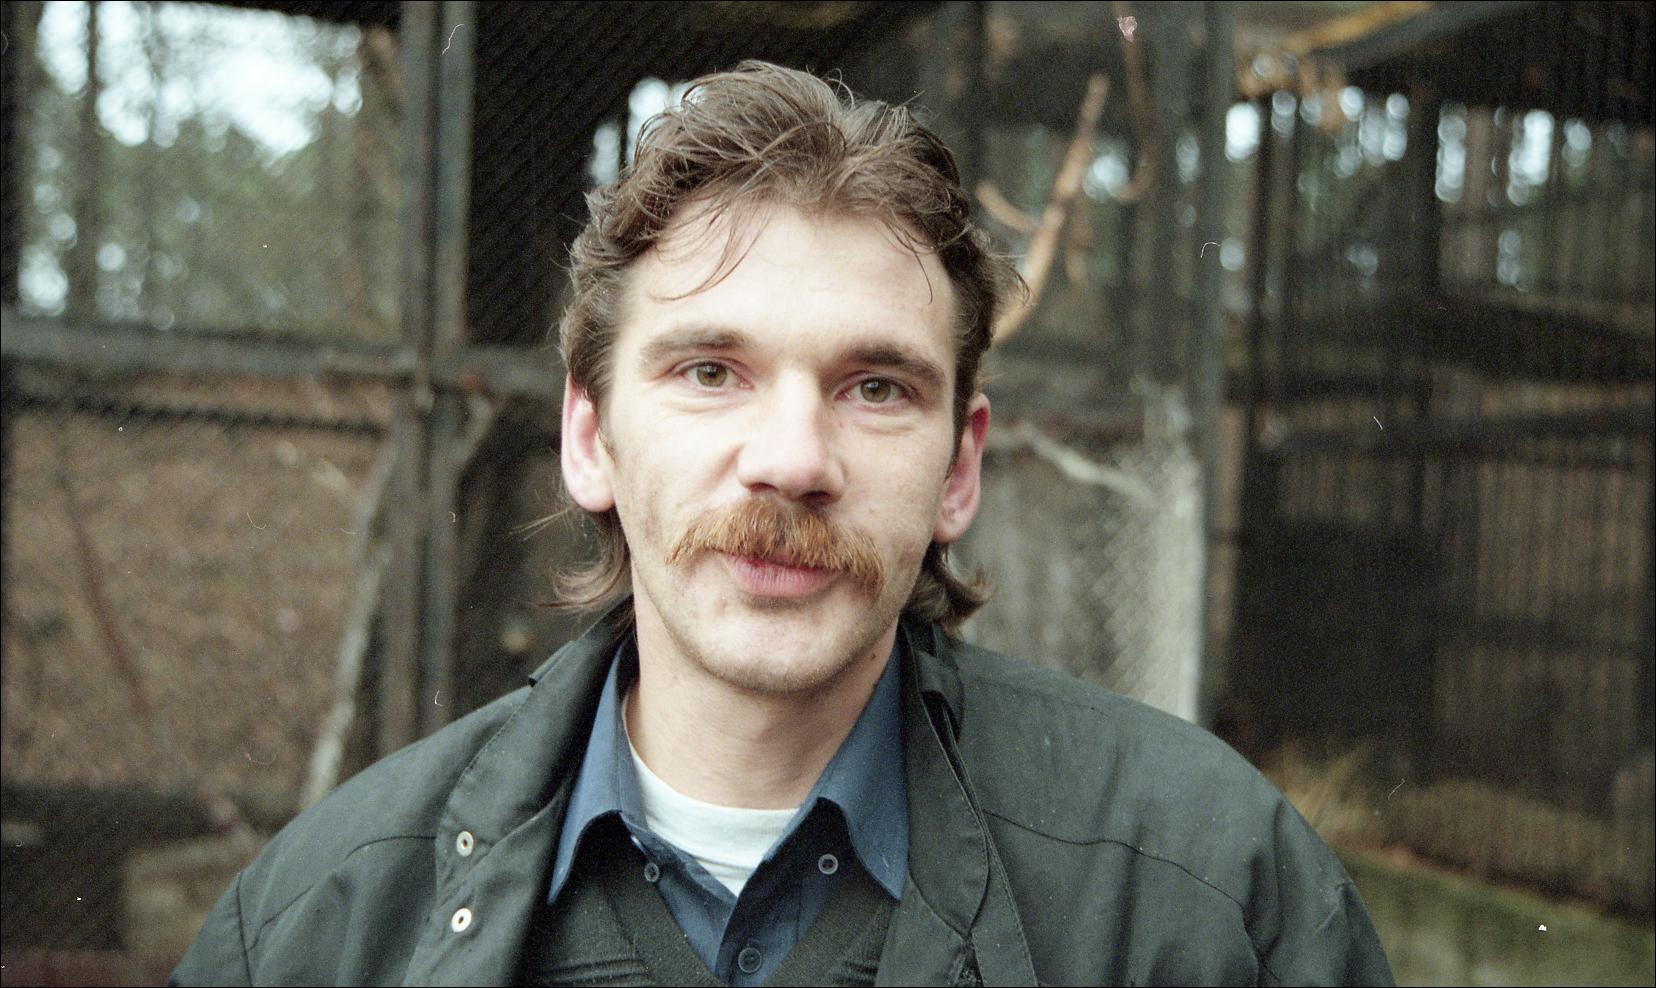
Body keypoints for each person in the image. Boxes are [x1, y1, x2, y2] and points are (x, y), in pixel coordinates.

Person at [172, 61, 1393, 987]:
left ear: (960, 467)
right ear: (590, 436)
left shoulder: (1208, 898)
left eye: (878, 388)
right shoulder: (322, 926)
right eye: (711, 371)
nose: (794, 460)